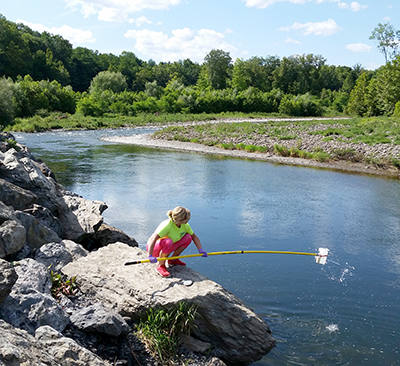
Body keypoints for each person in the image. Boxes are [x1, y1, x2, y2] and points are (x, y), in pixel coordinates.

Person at [146, 206, 207, 277]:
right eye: (186, 220)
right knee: (168, 242)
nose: (188, 221)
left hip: (168, 246)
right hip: (154, 248)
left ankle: (173, 260)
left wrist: (200, 249)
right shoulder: (167, 225)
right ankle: (161, 266)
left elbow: (194, 237)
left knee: (188, 237)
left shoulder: (185, 225)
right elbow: (153, 239)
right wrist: (150, 255)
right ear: (180, 220)